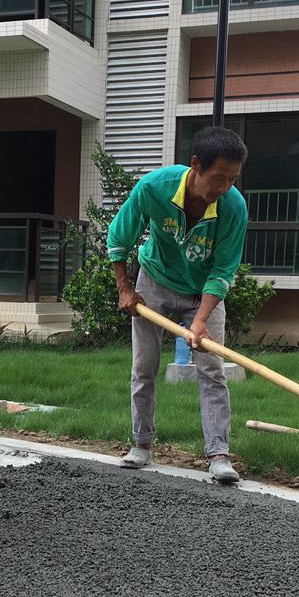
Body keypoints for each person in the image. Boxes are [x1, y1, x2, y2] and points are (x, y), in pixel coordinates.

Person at [107, 125, 248, 485]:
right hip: (154, 281)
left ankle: (218, 454)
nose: (224, 188)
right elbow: (118, 240)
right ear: (196, 165)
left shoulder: (233, 207)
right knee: (144, 366)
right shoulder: (154, 188)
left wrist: (200, 321)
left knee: (212, 369)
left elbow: (223, 270)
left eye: (232, 179)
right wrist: (125, 289)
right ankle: (141, 444)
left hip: (203, 292)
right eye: (219, 178)